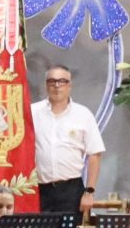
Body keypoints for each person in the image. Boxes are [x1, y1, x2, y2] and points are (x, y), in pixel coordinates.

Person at [32, 65, 106, 217]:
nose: (57, 85)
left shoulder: (83, 114)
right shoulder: (32, 112)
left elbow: (95, 154)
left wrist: (89, 192)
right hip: (39, 190)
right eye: (52, 81)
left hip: (71, 190)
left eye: (62, 81)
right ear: (46, 85)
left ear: (70, 85)